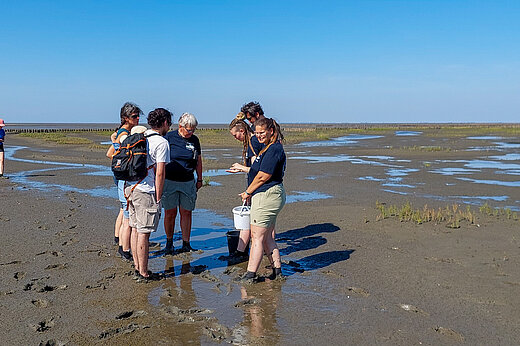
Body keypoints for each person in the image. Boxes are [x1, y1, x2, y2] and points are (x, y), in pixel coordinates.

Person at [126, 108, 171, 281]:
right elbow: (160, 173)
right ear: (165, 122)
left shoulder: (140, 137)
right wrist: (158, 197)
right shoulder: (161, 142)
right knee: (144, 233)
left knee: (136, 230)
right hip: (146, 191)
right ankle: (144, 272)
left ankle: (138, 267)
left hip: (131, 188)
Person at [238, 118, 286, 281]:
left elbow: (263, 176)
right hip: (269, 195)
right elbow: (257, 171)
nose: (258, 136)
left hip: (266, 195)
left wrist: (247, 192)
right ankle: (277, 271)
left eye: (262, 133)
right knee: (266, 237)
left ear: (271, 131)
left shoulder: (273, 149)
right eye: (256, 133)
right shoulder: (268, 148)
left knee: (256, 237)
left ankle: (250, 274)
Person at [158, 112, 203, 255]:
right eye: (189, 129)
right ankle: (169, 243)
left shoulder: (195, 140)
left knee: (186, 212)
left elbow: (198, 161)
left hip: (188, 181)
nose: (191, 132)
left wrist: (200, 179)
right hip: (170, 181)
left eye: (193, 130)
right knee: (170, 213)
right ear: (180, 126)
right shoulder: (168, 137)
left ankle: (186, 243)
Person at [106, 102, 142, 260]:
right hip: (123, 175)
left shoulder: (120, 132)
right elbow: (111, 153)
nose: (138, 118)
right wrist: (124, 162)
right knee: (126, 211)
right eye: (134, 116)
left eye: (138, 115)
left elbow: (111, 151)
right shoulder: (124, 134)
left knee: (123, 209)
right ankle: (123, 246)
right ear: (126, 118)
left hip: (119, 173)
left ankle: (118, 238)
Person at [226, 113, 264, 261]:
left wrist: (242, 168)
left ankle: (243, 253)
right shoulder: (251, 142)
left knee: (254, 222)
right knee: (254, 221)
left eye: (236, 135)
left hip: (257, 187)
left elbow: (257, 169)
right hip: (254, 186)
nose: (236, 139)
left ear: (242, 131)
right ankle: (241, 251)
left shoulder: (253, 142)